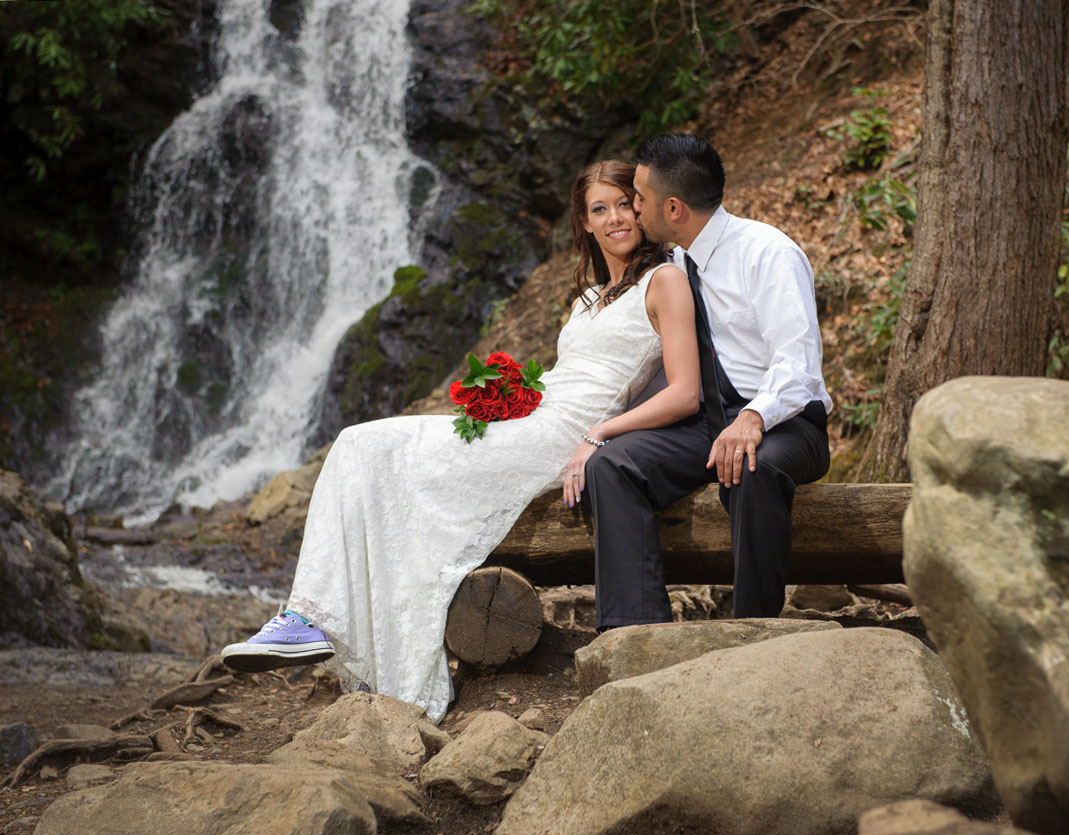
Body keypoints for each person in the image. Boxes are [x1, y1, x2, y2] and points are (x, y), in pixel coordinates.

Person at [221, 161, 699, 722]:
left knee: (372, 449)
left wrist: (600, 435)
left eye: (624, 203)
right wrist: (510, 396)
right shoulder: (588, 299)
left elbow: (685, 392)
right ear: (585, 224)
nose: (616, 217)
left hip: (568, 436)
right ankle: (307, 619)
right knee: (358, 444)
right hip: (535, 419)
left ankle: (315, 620)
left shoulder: (664, 281)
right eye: (600, 209)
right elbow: (569, 378)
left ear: (642, 208)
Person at [585, 133, 832, 627]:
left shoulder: (767, 253)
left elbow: (797, 362)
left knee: (752, 466)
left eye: (639, 198)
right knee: (613, 465)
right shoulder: (673, 265)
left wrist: (753, 417)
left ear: (673, 207)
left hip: (785, 423)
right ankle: (635, 629)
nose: (633, 209)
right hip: (703, 426)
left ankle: (753, 629)